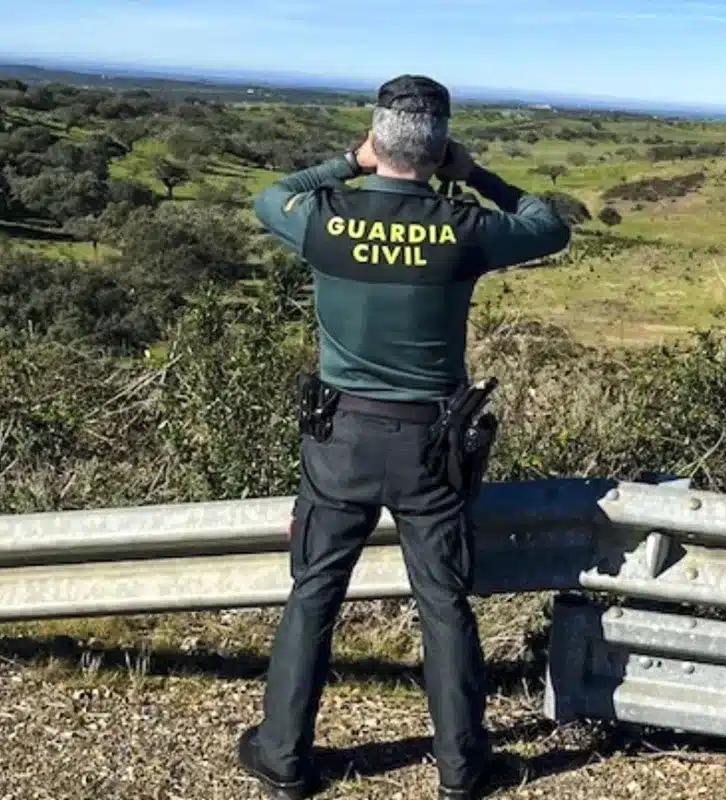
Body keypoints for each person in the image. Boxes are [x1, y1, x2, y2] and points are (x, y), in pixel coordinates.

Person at [234, 74, 571, 799]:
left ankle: (285, 760)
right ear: (439, 147)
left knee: (314, 594)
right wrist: (474, 172)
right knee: (443, 602)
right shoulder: (464, 226)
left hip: (340, 440)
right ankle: (461, 770)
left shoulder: (325, 216)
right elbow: (550, 224)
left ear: (376, 138)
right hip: (431, 447)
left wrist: (344, 164)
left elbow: (268, 198)